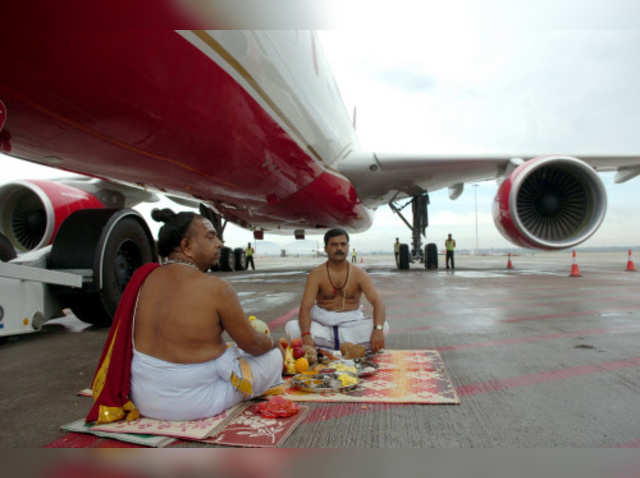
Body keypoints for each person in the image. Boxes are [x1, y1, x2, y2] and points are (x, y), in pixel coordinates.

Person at [86, 208, 283, 424]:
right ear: (186, 246)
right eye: (210, 236)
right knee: (272, 358)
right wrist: (274, 344)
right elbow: (253, 344)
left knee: (229, 351)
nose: (219, 243)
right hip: (191, 404)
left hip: (143, 398)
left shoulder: (144, 279)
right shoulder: (217, 288)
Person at [285, 228, 388, 352]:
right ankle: (349, 348)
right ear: (326, 248)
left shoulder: (359, 274)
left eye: (343, 244)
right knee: (292, 327)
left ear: (348, 247)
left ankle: (326, 348)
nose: (339, 248)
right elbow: (306, 307)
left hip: (352, 325)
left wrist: (378, 330)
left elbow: (378, 303)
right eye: (334, 245)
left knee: (384, 326)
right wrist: (306, 335)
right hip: (323, 325)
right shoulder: (316, 275)